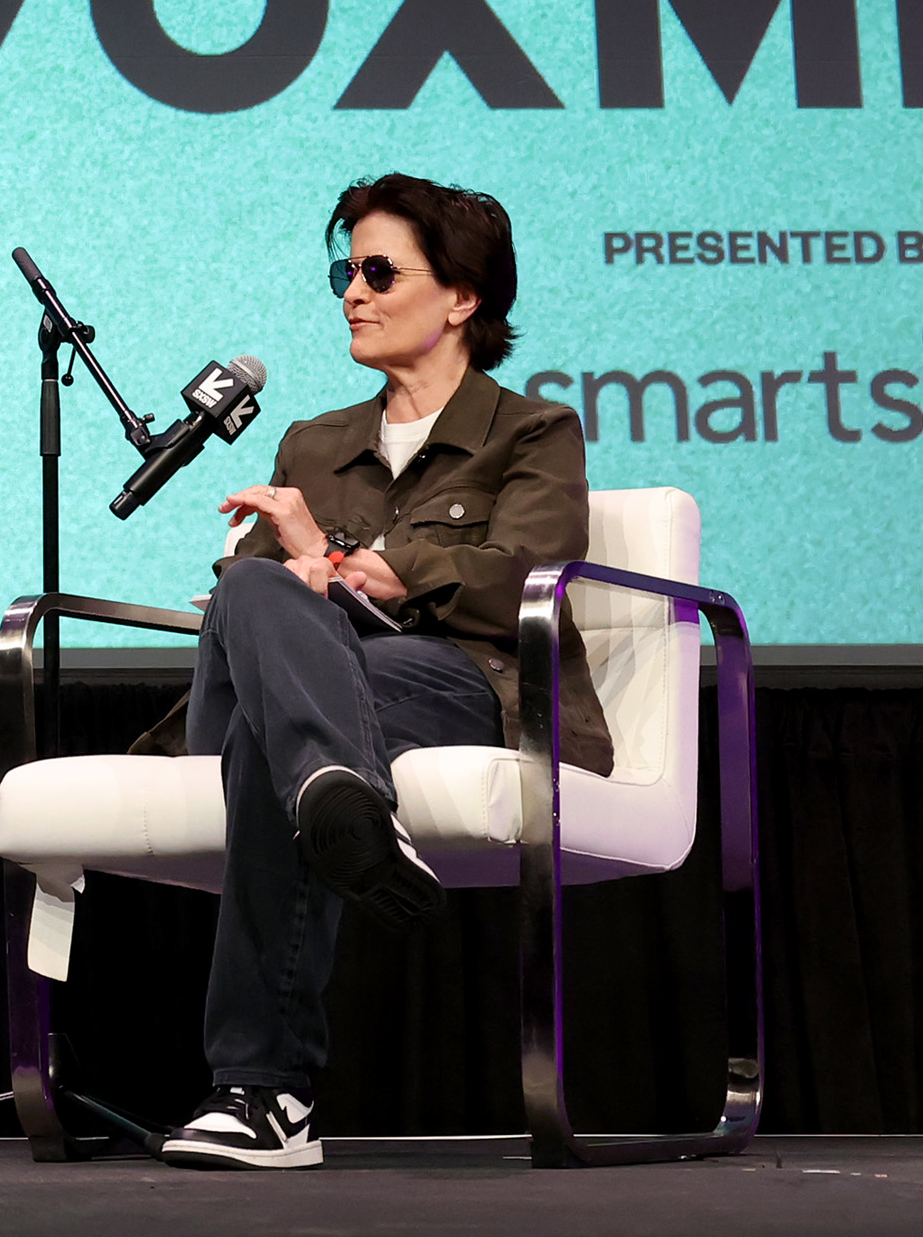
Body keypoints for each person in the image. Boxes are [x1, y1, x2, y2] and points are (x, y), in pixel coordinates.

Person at [156, 173, 610, 1172]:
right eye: (343, 273)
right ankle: (343, 792)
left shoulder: (531, 432)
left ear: (462, 297)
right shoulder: (312, 441)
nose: (352, 294)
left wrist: (374, 568)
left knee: (271, 737)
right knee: (253, 588)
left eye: (377, 272)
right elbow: (256, 600)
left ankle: (261, 1091)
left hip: (449, 680)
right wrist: (294, 577)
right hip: (312, 680)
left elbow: (529, 576)